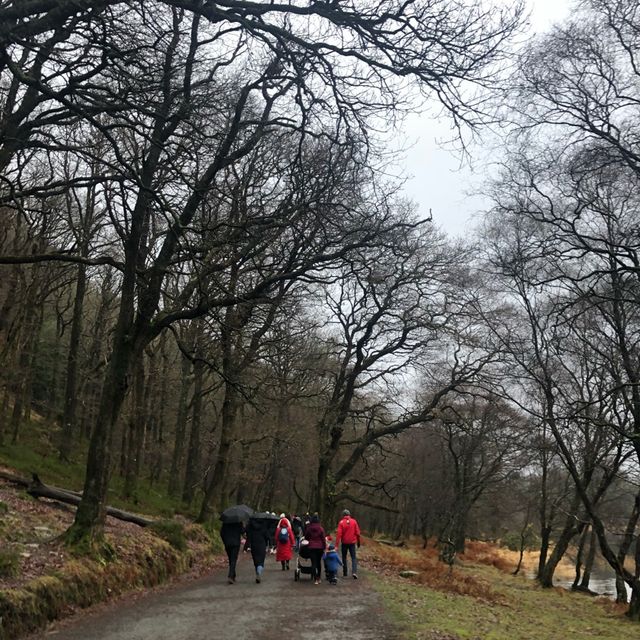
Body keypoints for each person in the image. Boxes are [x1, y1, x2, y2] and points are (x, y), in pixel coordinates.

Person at [336, 508, 361, 579]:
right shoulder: (354, 522)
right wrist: (358, 542)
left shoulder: (341, 522)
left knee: (344, 557)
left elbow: (338, 535)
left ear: (343, 515)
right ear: (349, 515)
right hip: (352, 543)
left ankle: (345, 572)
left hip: (344, 543)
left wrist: (336, 545)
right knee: (353, 557)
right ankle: (354, 572)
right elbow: (358, 533)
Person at [245, 517, 270, 583]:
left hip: (254, 545)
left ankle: (257, 572)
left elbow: (248, 537)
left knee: (256, 560)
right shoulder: (263, 526)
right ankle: (259, 572)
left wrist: (246, 547)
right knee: (261, 561)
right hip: (262, 545)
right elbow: (267, 536)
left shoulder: (251, 527)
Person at [304, 513, 327, 585]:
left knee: (313, 563)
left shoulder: (309, 528)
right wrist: (324, 547)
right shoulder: (321, 528)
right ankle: (319, 577)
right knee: (318, 562)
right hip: (320, 548)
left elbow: (306, 537)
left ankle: (315, 578)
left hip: (311, 547)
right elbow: (323, 539)